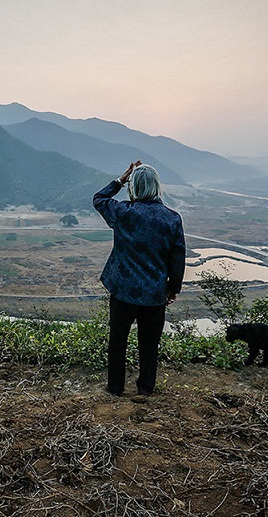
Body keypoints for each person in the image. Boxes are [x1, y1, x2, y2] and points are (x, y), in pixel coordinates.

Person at [93, 161, 186, 396]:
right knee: (149, 345)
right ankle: (145, 389)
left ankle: (115, 388)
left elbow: (99, 199)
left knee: (118, 341)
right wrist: (172, 289)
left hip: (123, 290)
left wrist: (120, 179)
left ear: (133, 186)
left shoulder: (125, 213)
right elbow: (177, 258)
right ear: (157, 186)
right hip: (155, 293)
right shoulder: (172, 219)